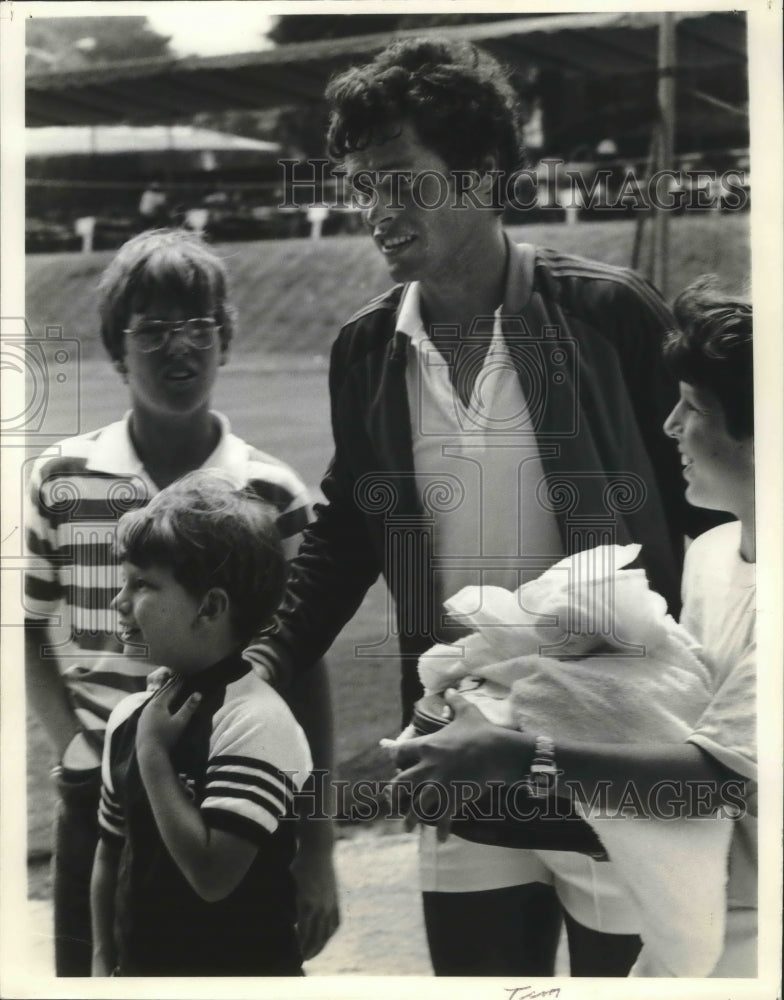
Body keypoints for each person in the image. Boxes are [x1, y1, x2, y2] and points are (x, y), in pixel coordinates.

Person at [245, 38, 713, 976]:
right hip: (461, 751)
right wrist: (265, 656)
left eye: (401, 181)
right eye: (363, 186)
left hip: (617, 757)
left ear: (484, 171)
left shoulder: (610, 314)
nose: (378, 211)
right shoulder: (365, 348)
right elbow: (349, 521)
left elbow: (709, 517)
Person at [390, 276, 756, 976]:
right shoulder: (710, 556)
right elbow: (679, 718)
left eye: (692, 407)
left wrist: (512, 754)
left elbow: (717, 780)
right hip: (690, 913)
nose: (670, 427)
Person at [24, 229, 337, 976]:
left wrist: (319, 847)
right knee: (96, 968)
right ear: (115, 349)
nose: (179, 349)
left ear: (225, 342)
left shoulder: (273, 492)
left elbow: (306, 669)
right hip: (103, 786)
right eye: (153, 330)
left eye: (199, 327)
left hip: (234, 787)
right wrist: (78, 744)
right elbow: (30, 630)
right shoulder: (62, 477)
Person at [91, 471, 311, 975]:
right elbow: (111, 853)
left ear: (210, 607)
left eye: (143, 585)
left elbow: (213, 875)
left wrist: (153, 756)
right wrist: (103, 963)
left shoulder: (256, 720)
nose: (119, 602)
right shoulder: (130, 716)